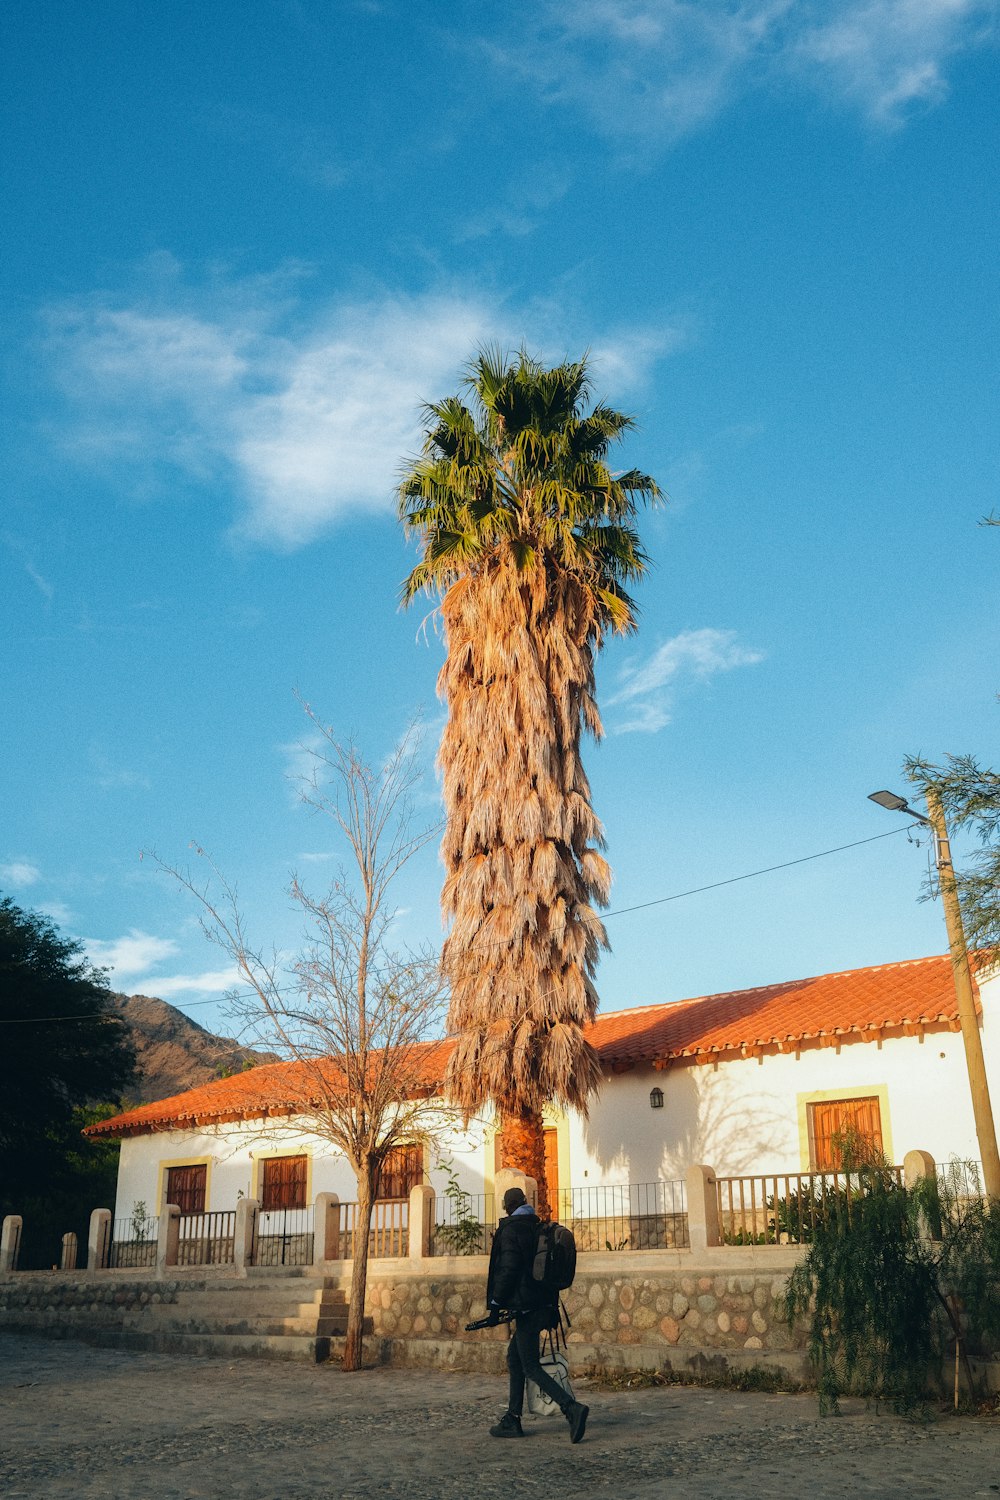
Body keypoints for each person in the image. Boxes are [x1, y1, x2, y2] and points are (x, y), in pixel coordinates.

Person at [484, 1185, 589, 1443]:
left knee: (529, 1364)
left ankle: (571, 1408)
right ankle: (512, 1418)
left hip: (526, 1308)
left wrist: (496, 1302)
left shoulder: (511, 1230)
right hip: (544, 1304)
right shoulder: (537, 1226)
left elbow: (509, 1269)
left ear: (507, 1206)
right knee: (514, 1358)